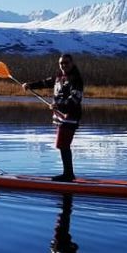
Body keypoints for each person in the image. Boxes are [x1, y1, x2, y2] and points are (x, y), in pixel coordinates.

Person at [23, 53, 84, 182]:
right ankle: (68, 174)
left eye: (66, 63)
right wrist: (30, 85)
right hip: (61, 117)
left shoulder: (75, 79)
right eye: (61, 63)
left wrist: (58, 104)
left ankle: (68, 175)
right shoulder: (59, 76)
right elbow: (46, 82)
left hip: (70, 117)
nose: (63, 65)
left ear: (72, 63)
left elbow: (75, 99)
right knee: (62, 145)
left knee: (63, 144)